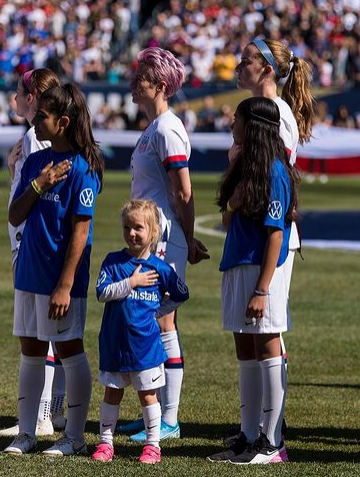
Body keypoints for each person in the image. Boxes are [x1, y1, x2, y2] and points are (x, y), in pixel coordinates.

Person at [4, 83, 103, 456]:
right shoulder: (36, 162)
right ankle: (26, 433)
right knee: (31, 350)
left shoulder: (82, 169)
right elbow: (15, 215)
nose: (36, 122)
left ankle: (74, 436)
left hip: (60, 280)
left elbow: (81, 231)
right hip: (29, 273)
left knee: (68, 350)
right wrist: (38, 184)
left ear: (62, 122)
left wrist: (65, 284)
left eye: (43, 116)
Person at [123, 46, 209, 443]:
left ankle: (168, 419)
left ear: (159, 86)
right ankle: (155, 415)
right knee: (156, 322)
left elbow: (183, 193)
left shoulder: (167, 129)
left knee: (161, 321)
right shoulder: (154, 128)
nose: (133, 82)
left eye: (141, 77)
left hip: (163, 238)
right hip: (154, 237)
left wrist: (187, 239)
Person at [207, 97, 297, 465]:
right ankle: (248, 436)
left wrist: (262, 289)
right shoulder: (245, 165)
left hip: (261, 273)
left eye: (237, 119)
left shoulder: (275, 172)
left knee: (267, 346)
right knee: (245, 350)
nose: (232, 124)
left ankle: (273, 443)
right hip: (237, 265)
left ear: (254, 125)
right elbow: (228, 220)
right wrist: (232, 203)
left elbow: (276, 235)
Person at [91, 199, 189, 465]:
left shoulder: (160, 269)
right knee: (112, 393)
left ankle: (153, 446)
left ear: (153, 231)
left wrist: (157, 311)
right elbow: (102, 293)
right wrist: (131, 282)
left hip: (145, 346)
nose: (131, 233)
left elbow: (181, 294)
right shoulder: (113, 262)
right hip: (114, 343)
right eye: (127, 227)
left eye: (138, 228)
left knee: (148, 396)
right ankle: (105, 443)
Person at [0, 68, 66, 438]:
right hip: (33, 237)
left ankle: (41, 416)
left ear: (32, 96)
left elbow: (40, 190)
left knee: (39, 331)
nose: (14, 98)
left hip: (30, 238)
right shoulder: (33, 136)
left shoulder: (35, 137)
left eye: (19, 92)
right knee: (52, 330)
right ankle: (54, 411)